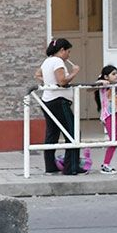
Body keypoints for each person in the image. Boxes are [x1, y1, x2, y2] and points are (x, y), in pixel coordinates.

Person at [37, 38, 84, 175]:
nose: (69, 55)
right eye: (68, 51)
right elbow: (62, 81)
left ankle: (50, 166)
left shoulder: (47, 61)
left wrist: (48, 82)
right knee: (73, 132)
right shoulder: (58, 61)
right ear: (62, 50)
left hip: (48, 100)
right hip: (59, 101)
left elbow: (37, 74)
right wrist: (74, 72)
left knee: (52, 135)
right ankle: (71, 167)